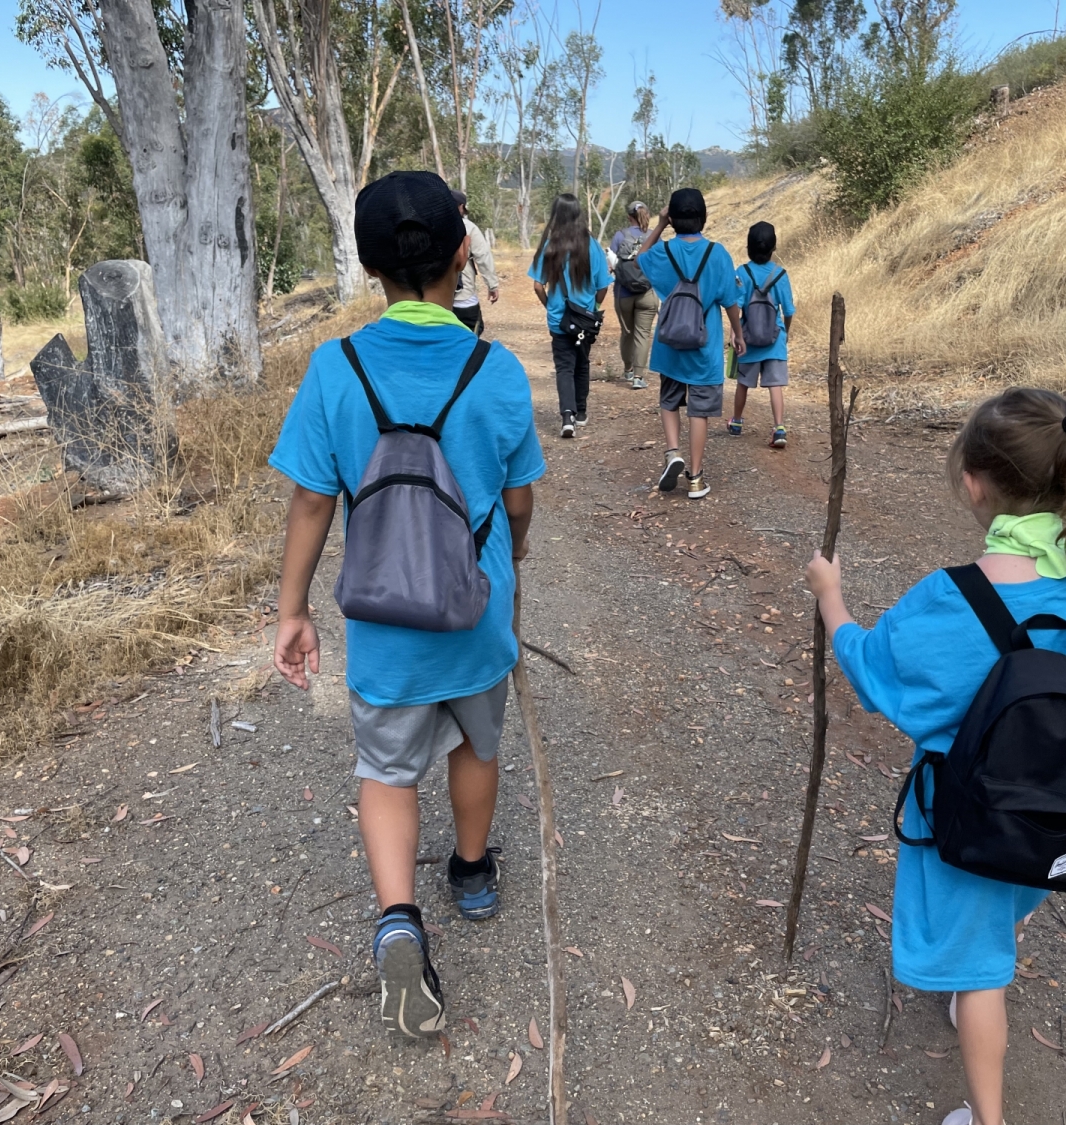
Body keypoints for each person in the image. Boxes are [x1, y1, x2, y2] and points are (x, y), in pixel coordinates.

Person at [805, 387, 1066, 1125]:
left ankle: (987, 1115)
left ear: (974, 483)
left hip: (966, 823)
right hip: (1060, 817)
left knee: (979, 977)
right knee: (1005, 913)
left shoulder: (952, 599)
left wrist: (831, 597)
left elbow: (874, 673)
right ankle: (983, 968)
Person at [269, 171, 545, 1038]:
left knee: (386, 769)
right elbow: (520, 498)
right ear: (462, 253)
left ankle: (398, 920)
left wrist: (293, 608)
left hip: (385, 620)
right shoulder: (496, 370)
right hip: (476, 612)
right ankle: (471, 872)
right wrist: (514, 556)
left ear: (367, 265)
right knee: (477, 744)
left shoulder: (335, 368)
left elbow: (311, 500)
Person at [636, 187, 745, 500]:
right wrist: (738, 334)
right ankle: (695, 478)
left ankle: (673, 452)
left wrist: (659, 224)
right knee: (699, 411)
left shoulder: (663, 252)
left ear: (672, 219)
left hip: (670, 343)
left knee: (669, 400)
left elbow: (641, 257)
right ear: (703, 217)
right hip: (704, 347)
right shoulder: (718, 254)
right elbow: (731, 301)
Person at [527, 193, 613, 438]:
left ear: (556, 214)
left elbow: (537, 286)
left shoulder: (549, 245)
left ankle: (567, 416)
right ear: (578, 213)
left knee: (564, 367)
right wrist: (593, 307)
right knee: (582, 363)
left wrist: (550, 307)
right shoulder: (592, 245)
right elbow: (603, 285)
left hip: (559, 320)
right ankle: (581, 412)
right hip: (584, 319)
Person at [728, 221, 795, 448]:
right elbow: (789, 311)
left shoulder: (742, 272)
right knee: (775, 385)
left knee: (743, 383)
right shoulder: (780, 274)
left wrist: (734, 333)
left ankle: (737, 422)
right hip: (775, 339)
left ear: (749, 246)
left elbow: (735, 307)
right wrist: (785, 332)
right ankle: (779, 428)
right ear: (773, 247)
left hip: (748, 338)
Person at [609, 200, 659, 390]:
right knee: (642, 334)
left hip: (623, 293)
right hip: (648, 292)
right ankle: (638, 377)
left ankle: (628, 369)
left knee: (627, 332)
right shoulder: (655, 237)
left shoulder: (620, 236)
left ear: (629, 217)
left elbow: (610, 264)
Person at [449, 189, 498, 336]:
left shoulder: (429, 225)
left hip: (435, 300)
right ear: (461, 207)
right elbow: (483, 257)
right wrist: (492, 285)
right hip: (463, 297)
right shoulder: (469, 228)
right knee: (473, 332)